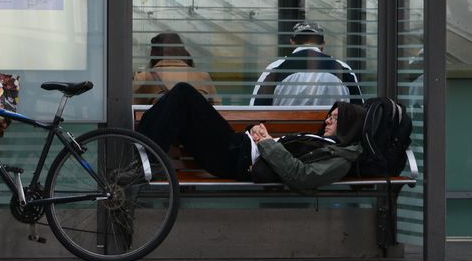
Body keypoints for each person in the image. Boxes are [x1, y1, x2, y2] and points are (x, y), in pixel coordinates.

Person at [137, 81, 364, 190]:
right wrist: (257, 129)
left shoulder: (341, 159)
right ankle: (142, 156)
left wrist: (264, 142)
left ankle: (142, 161)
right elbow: (282, 148)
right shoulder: (324, 142)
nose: (327, 120)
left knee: (183, 93)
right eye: (329, 116)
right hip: (238, 146)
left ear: (348, 126)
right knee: (176, 99)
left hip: (236, 158)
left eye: (334, 118)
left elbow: (301, 176)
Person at [250, 21, 362, 107]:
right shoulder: (343, 69)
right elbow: (359, 112)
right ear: (323, 44)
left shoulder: (275, 69)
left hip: (287, 136)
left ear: (292, 42)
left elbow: (255, 111)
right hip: (330, 137)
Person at [133, 32, 218, 105]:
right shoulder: (203, 76)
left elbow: (133, 113)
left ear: (154, 53)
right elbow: (219, 110)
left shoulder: (144, 78)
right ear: (182, 51)